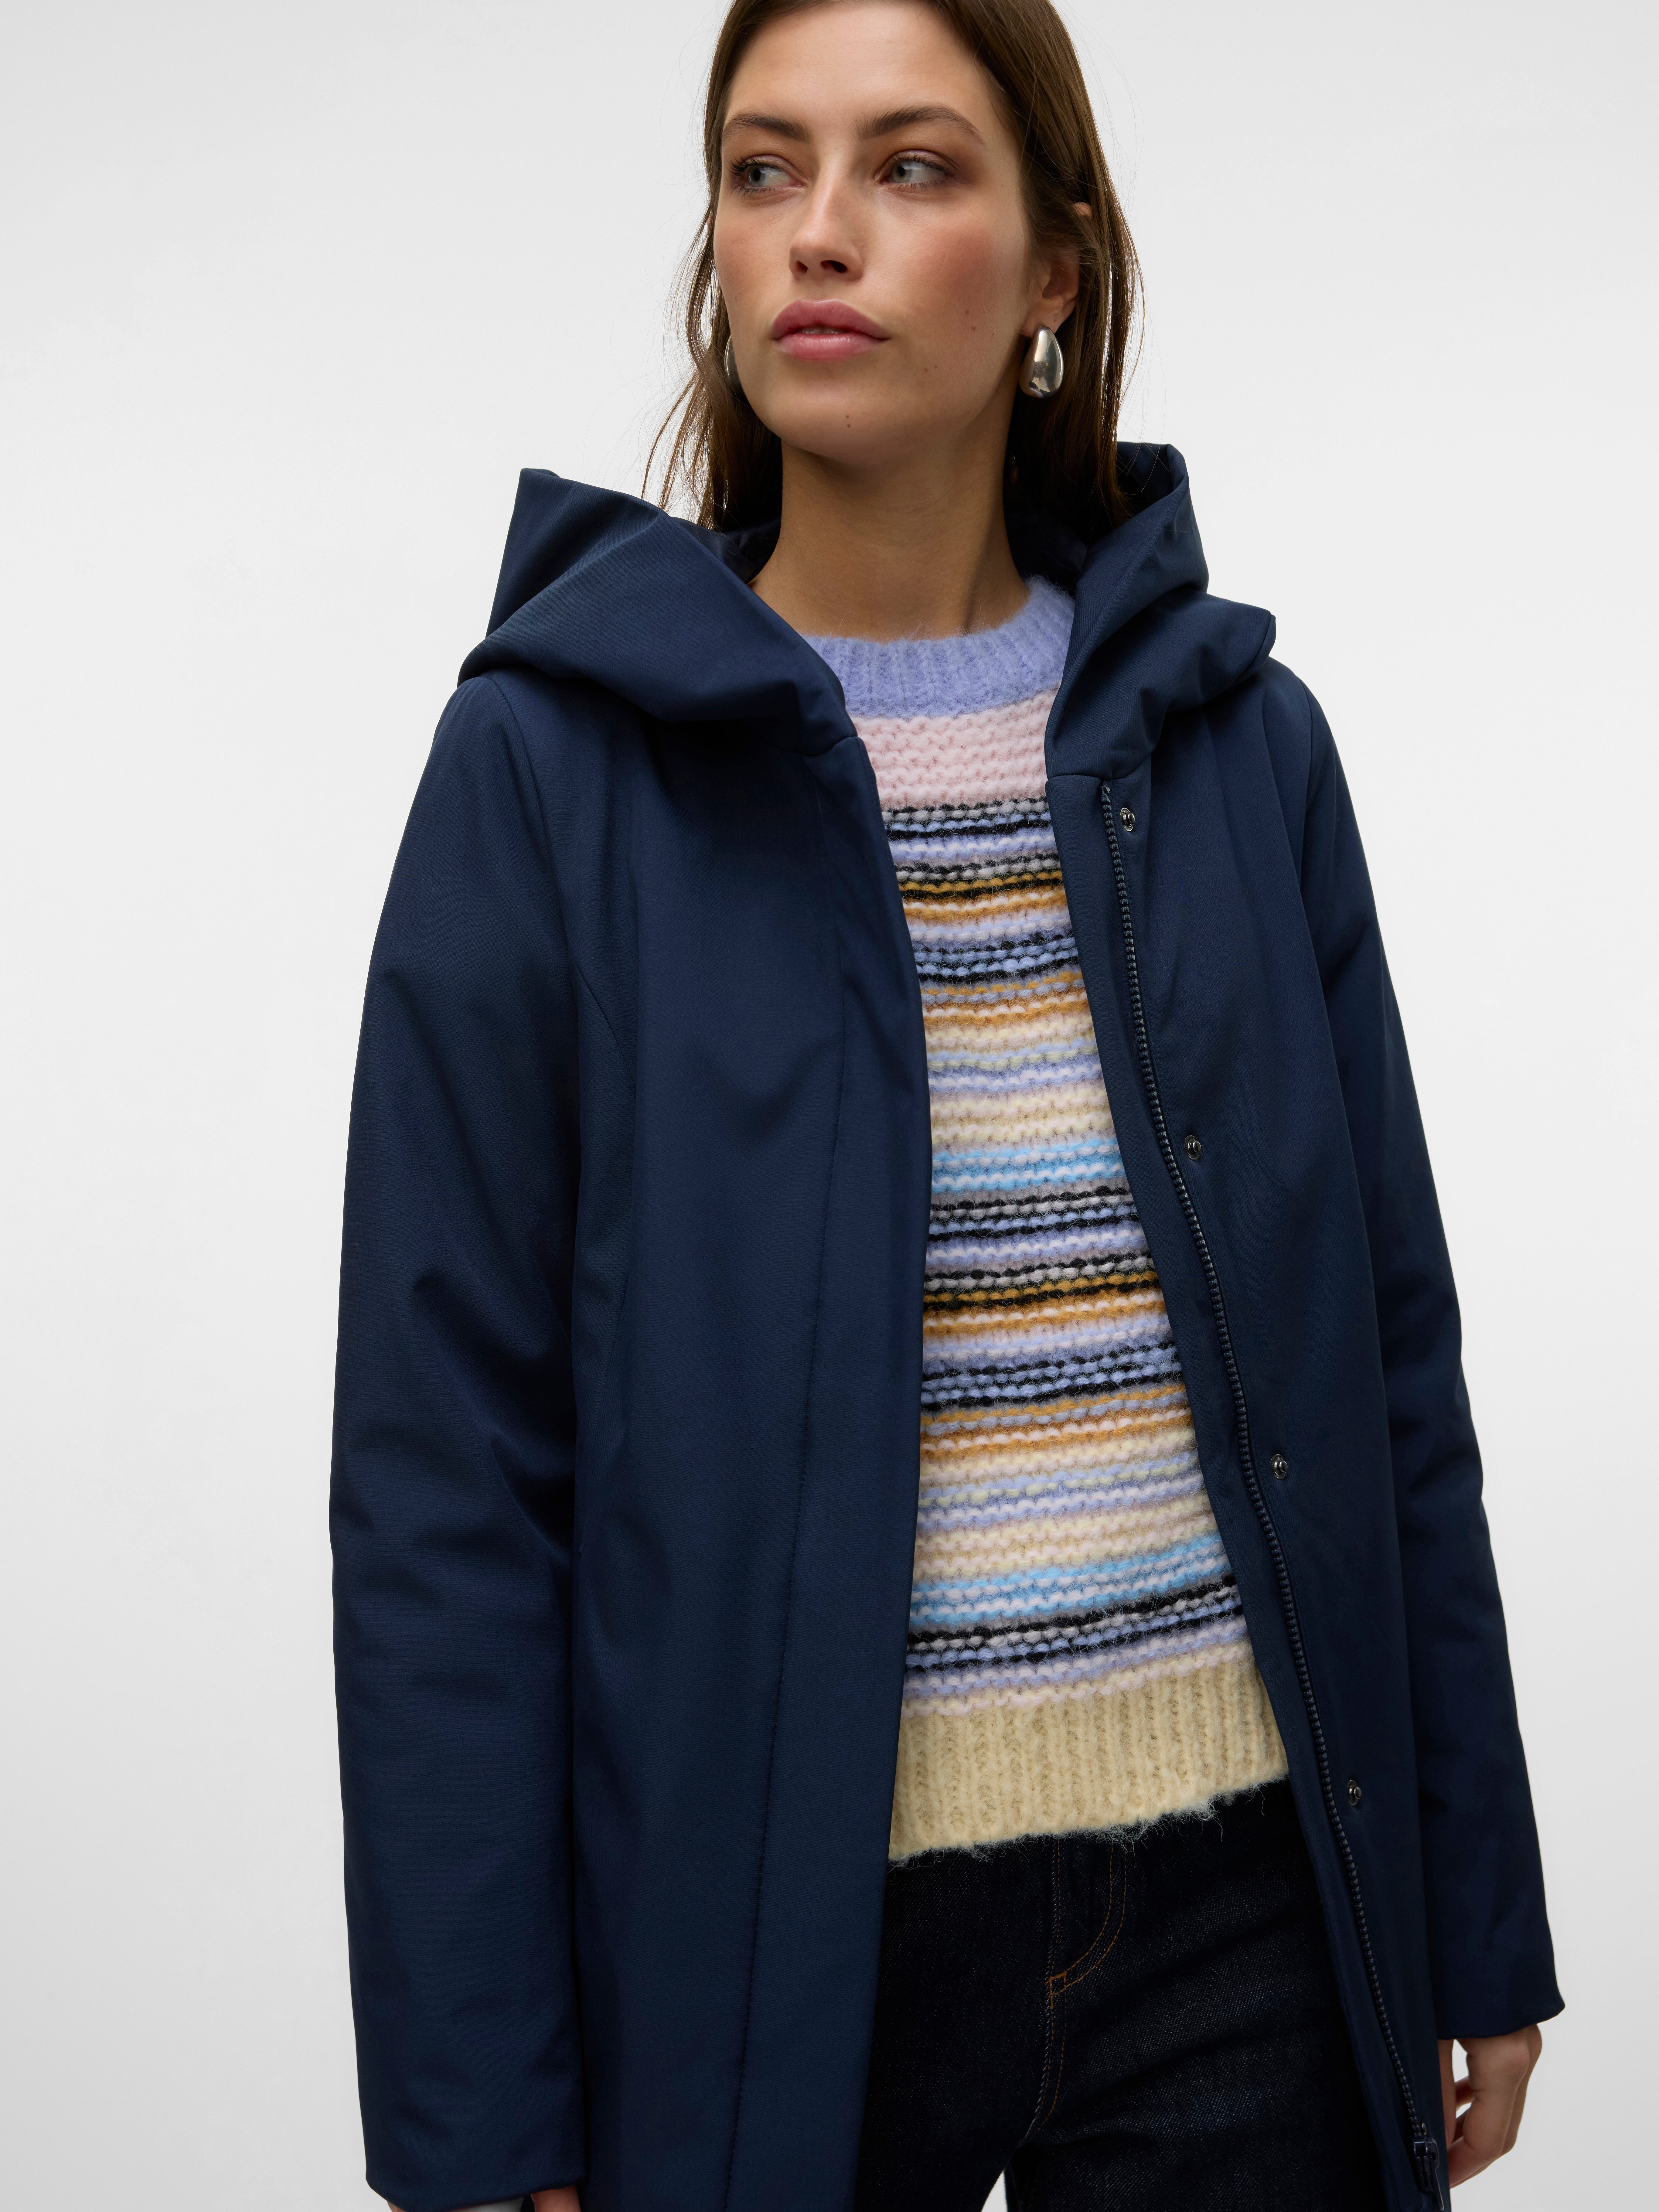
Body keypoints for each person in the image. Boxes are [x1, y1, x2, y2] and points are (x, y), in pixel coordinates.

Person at [330, 3, 1561, 2208]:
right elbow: (447, 1483)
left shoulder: (1240, 748)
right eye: (763, 169)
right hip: (765, 1939)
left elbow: (1391, 1364)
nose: (820, 233)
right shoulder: (545, 768)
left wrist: (1469, 1907)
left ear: (1055, 268)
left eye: (909, 167)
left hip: (1248, 1922)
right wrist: (482, 2112)